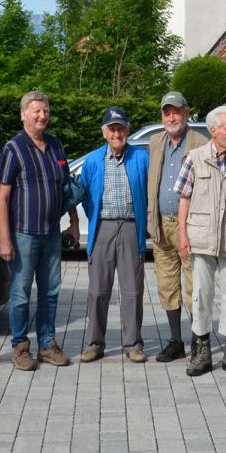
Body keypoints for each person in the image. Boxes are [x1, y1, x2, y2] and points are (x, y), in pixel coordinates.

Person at [175, 106, 226, 377]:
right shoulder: (194, 159)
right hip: (200, 238)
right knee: (201, 296)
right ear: (213, 131)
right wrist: (182, 234)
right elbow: (184, 199)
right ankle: (201, 350)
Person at [0, 91, 72, 371]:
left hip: (51, 233)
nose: (42, 116)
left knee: (51, 292)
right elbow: (2, 197)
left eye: (46, 111)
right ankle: (19, 346)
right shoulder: (13, 148)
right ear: (23, 114)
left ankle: (48, 345)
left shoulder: (55, 145)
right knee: (20, 294)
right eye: (36, 111)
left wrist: (73, 224)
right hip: (23, 234)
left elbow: (66, 188)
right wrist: (5, 238)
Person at [73, 106, 151, 363]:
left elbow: (148, 193)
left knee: (132, 291)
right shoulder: (94, 160)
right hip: (103, 227)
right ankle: (94, 344)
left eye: (121, 128)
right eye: (112, 129)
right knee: (98, 291)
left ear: (128, 130)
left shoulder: (141, 158)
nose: (117, 133)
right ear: (104, 133)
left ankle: (133, 344)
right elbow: (84, 195)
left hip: (131, 227)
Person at [146, 91, 207, 362]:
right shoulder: (155, 142)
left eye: (177, 111)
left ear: (186, 113)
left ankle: (198, 342)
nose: (172, 117)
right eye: (167, 112)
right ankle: (175, 341)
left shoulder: (200, 143)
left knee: (195, 286)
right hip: (161, 225)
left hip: (190, 227)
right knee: (167, 285)